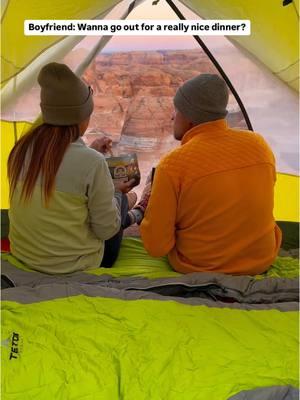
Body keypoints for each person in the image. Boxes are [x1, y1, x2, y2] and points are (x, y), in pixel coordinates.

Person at [136, 74, 282, 275]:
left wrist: (150, 200)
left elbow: (156, 246)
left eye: (176, 110)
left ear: (189, 117)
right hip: (261, 261)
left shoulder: (173, 164)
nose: (172, 117)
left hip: (200, 266)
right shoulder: (259, 145)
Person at [7, 62, 136, 274]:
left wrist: (92, 150)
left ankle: (131, 210)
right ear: (80, 117)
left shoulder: (20, 149)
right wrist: (115, 191)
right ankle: (134, 212)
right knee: (120, 202)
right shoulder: (92, 163)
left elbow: (61, 165)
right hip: (75, 267)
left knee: (113, 201)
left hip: (25, 257)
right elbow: (106, 230)